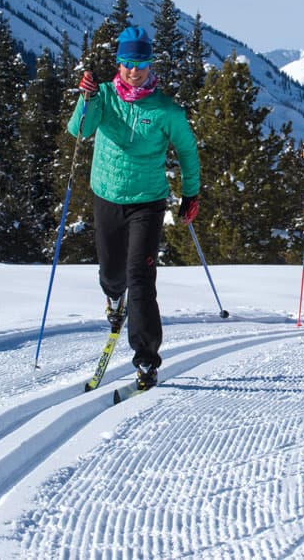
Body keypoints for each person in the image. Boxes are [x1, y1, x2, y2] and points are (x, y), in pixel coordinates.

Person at [69, 26, 200, 390]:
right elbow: (79, 130)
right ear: (119, 62)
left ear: (150, 64)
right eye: (128, 63)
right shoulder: (104, 95)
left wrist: (191, 194)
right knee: (113, 274)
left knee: (140, 278)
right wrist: (86, 99)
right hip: (107, 195)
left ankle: (146, 359)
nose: (134, 71)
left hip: (148, 201)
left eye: (141, 64)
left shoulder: (166, 110)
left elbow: (187, 151)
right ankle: (114, 298)